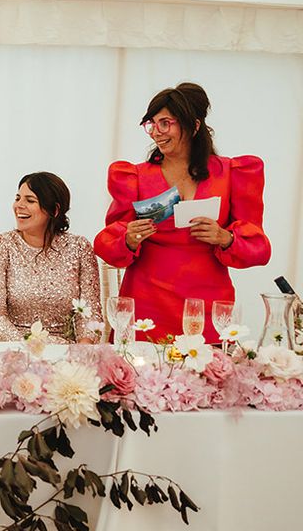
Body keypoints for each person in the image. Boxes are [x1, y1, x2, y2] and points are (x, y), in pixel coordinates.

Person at [94, 82, 272, 343]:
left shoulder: (233, 174)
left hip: (208, 307)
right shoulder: (133, 176)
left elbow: (259, 247)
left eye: (165, 123)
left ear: (194, 125)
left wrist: (226, 238)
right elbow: (105, 244)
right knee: (141, 379)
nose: (156, 132)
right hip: (146, 304)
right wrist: (128, 238)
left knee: (207, 378)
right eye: (152, 124)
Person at [0, 172, 101, 343]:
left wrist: (82, 351)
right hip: (4, 346)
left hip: (62, 350)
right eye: (18, 198)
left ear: (54, 210)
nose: (19, 205)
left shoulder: (79, 248)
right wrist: (33, 347)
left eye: (30, 200)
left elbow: (89, 312)